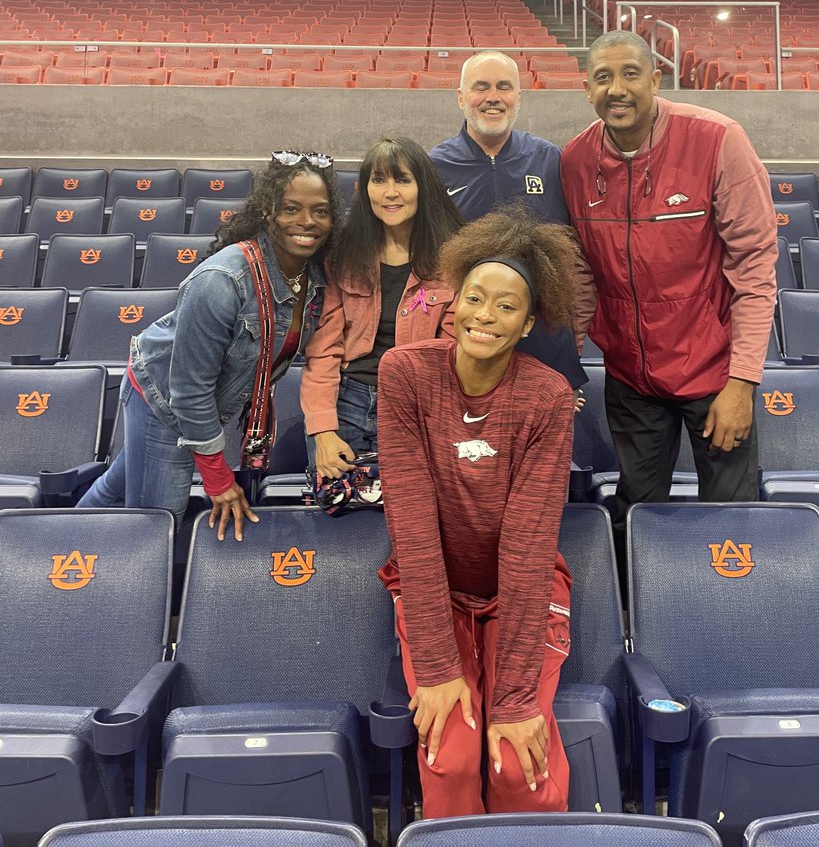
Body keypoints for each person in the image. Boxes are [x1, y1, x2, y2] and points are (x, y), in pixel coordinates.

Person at [377, 210, 581, 819]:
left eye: (506, 307)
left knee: (516, 765)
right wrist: (439, 668)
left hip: (524, 590)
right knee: (453, 756)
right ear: (453, 303)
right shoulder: (405, 374)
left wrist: (516, 701)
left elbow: (527, 549)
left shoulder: (546, 397)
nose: (484, 317)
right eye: (474, 298)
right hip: (436, 589)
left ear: (526, 325)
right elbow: (412, 527)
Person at [560, 29, 777, 540]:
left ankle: (722, 618)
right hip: (632, 380)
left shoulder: (719, 139)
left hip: (715, 374)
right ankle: (638, 614)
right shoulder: (574, 161)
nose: (617, 89)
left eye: (631, 74)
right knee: (637, 514)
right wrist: (567, 366)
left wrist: (742, 382)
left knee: (730, 522)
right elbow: (579, 276)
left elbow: (755, 270)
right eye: (603, 78)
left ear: (656, 79)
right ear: (587, 89)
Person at [78, 152, 340, 541]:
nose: (307, 221)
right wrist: (217, 477)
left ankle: (63, 541)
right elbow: (188, 390)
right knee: (156, 523)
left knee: (115, 489)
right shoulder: (223, 279)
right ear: (268, 212)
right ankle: (95, 581)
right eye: (291, 208)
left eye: (320, 211)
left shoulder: (316, 272)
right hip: (164, 400)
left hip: (198, 397)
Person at [300, 135, 465, 482]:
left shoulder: (453, 259)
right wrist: (323, 431)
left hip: (416, 404)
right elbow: (324, 350)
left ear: (423, 187)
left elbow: (450, 358)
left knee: (410, 518)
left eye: (402, 179)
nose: (390, 192)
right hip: (347, 400)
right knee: (340, 509)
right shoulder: (343, 256)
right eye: (379, 180)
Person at [429, 50, 595, 389]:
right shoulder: (433, 168)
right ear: (461, 98)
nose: (492, 98)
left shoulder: (551, 160)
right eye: (481, 87)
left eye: (504, 87)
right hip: (465, 340)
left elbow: (577, 258)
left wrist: (572, 336)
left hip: (545, 344)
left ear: (518, 98)